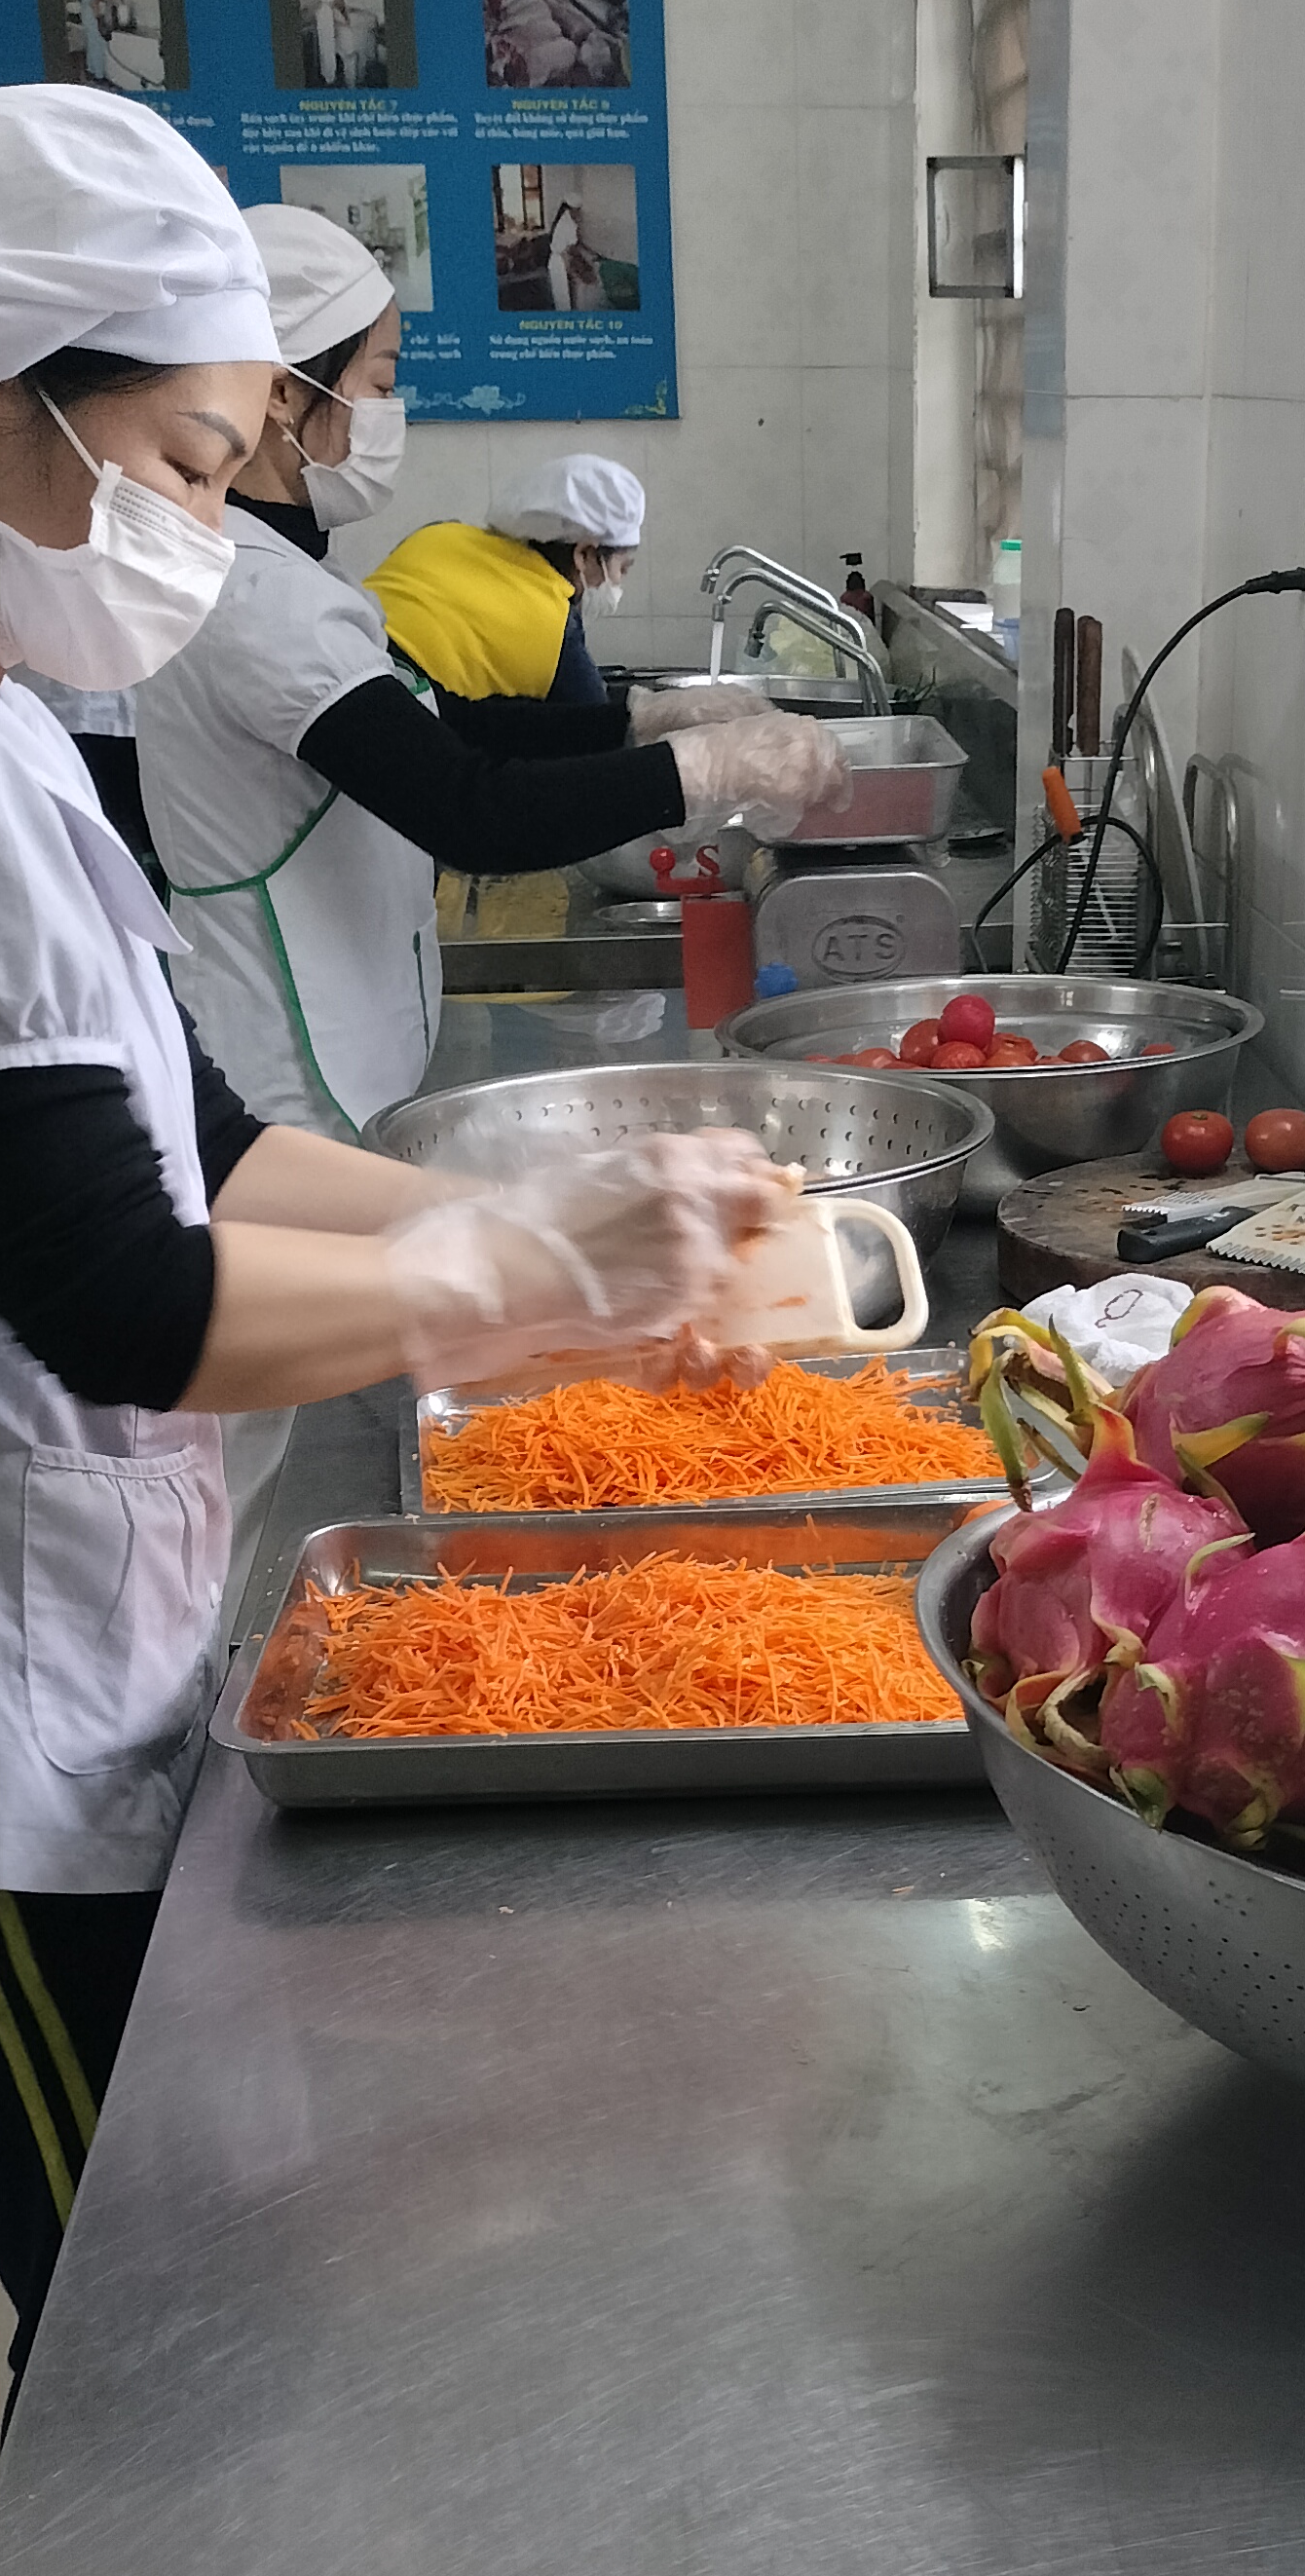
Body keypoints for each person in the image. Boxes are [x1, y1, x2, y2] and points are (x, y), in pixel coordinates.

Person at [0, 88, 793, 2380]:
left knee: (194, 2258)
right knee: (133, 2336)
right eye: (186, 462)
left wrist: (533, 1209)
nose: (206, 527)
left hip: (71, 1631)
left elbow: (200, 1140)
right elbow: (122, 1298)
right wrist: (548, 1283)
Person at [130, 208, 831, 1619]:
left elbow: (448, 723)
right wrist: (706, 771)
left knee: (287, 1432)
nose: (386, 416)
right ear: (284, 397)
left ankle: (236, 1644)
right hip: (279, 1064)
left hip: (325, 1049)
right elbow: (469, 805)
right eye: (379, 379)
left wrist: (646, 715)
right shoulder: (247, 596)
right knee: (247, 1465)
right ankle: (226, 1671)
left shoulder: (286, 577)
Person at [370, 449, 649, 717]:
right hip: (394, 718)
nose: (618, 582)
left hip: (351, 669)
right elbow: (599, 726)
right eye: (622, 568)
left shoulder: (436, 535)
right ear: (584, 555)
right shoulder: (553, 628)